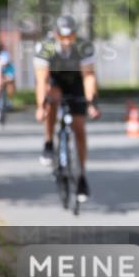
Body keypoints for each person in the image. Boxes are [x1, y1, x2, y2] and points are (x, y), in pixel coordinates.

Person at [34, 16, 101, 202]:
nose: (66, 41)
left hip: (76, 82)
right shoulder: (45, 47)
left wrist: (91, 104)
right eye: (62, 37)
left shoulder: (83, 47)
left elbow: (89, 76)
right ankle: (48, 143)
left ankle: (81, 177)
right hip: (54, 81)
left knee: (79, 126)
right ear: (55, 34)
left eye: (69, 36)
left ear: (75, 35)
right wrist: (41, 107)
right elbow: (42, 81)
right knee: (52, 99)